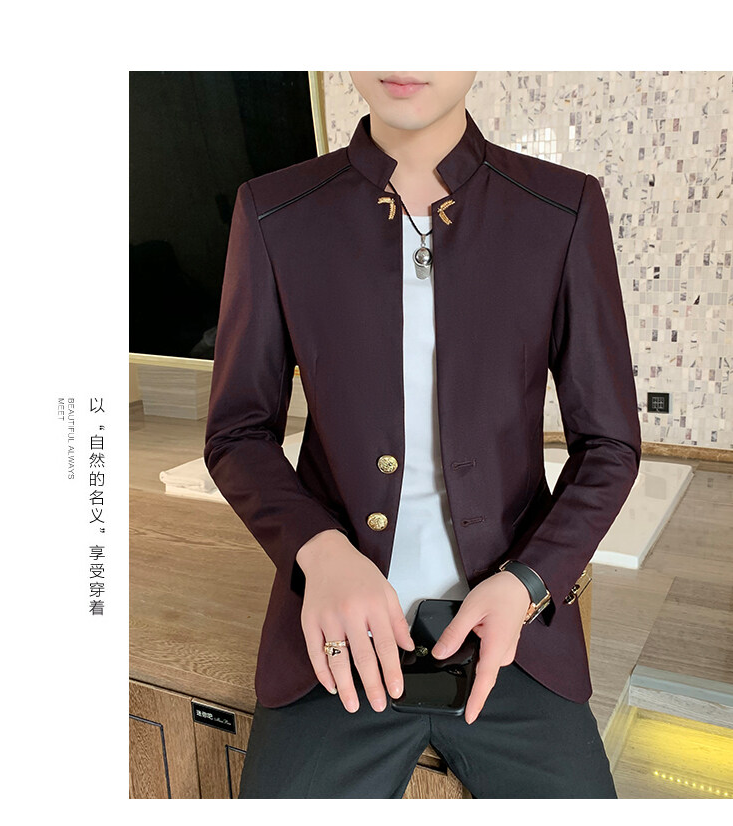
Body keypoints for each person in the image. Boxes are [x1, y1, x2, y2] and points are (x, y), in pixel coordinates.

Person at [204, 71, 641, 798]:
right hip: (336, 637)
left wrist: (528, 583)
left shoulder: (562, 208)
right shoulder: (274, 211)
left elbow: (610, 446)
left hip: (513, 638)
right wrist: (321, 553)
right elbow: (238, 432)